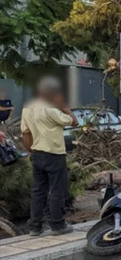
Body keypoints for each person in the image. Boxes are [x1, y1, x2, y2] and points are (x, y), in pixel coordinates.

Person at [20, 76, 78, 236]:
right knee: (57, 190)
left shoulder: (27, 108)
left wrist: (30, 150)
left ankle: (35, 227)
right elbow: (74, 121)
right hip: (54, 154)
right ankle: (58, 225)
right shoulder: (51, 109)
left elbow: (25, 133)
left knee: (38, 191)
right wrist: (64, 107)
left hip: (37, 154)